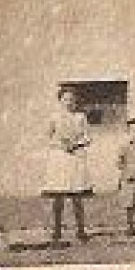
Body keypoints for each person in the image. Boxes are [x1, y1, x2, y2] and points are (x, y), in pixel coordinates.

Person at [43, 85, 94, 244]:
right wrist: (60, 144)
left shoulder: (80, 117)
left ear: (76, 101)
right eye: (65, 99)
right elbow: (48, 137)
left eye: (72, 99)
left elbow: (88, 137)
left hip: (75, 158)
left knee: (77, 196)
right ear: (60, 100)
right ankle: (57, 231)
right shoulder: (54, 117)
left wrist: (76, 144)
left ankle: (81, 230)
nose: (69, 102)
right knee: (58, 197)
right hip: (59, 159)